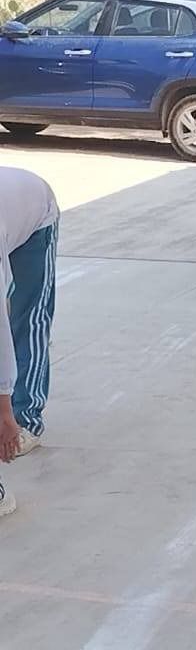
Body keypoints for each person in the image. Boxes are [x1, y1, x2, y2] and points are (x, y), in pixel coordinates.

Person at [1, 166, 58, 484]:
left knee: (28, 318)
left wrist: (3, 409)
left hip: (36, 216)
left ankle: (27, 418)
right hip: (11, 205)